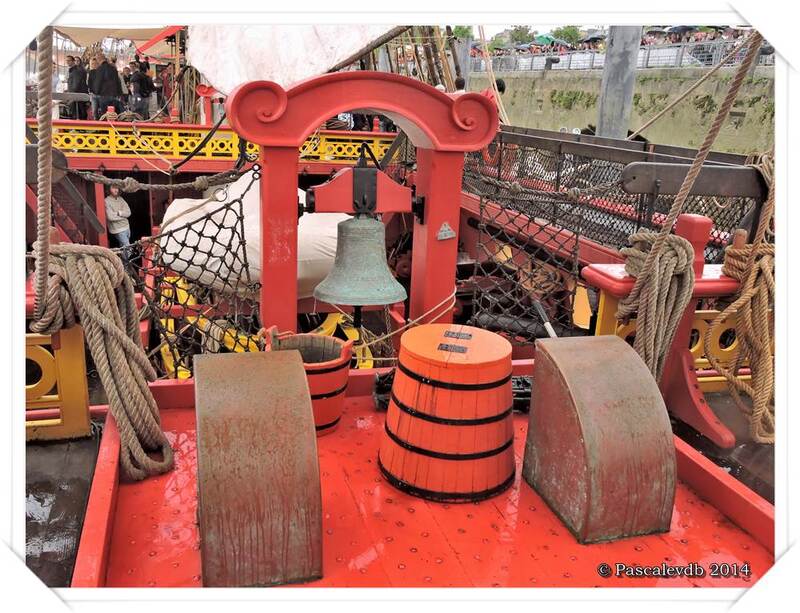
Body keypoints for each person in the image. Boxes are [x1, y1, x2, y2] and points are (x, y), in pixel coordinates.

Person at [66, 55, 89, 120]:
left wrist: (71, 95)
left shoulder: (76, 70)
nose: (67, 62)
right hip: (76, 94)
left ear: (73, 61)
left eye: (69, 60)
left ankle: (79, 127)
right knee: (79, 111)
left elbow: (76, 84)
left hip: (76, 94)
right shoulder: (74, 70)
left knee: (77, 112)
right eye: (66, 61)